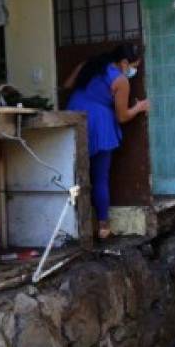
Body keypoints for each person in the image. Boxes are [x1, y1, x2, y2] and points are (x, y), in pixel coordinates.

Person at [64, 44, 149, 239]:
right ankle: (103, 226)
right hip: (99, 124)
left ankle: (73, 226)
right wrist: (139, 107)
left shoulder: (90, 64)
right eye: (133, 66)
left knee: (71, 173)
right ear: (124, 63)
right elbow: (122, 116)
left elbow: (68, 85)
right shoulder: (120, 81)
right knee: (100, 177)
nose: (133, 71)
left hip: (73, 115)